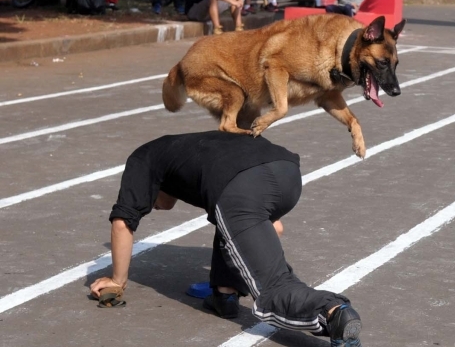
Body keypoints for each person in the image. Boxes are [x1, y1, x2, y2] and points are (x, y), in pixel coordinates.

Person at [89, 131, 363, 347]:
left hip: (243, 184)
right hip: (287, 173)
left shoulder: (143, 158)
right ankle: (225, 294)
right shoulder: (184, 154)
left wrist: (117, 280)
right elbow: (273, 228)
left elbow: (123, 221)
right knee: (228, 224)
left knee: (272, 287)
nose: (154, 206)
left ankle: (332, 311)